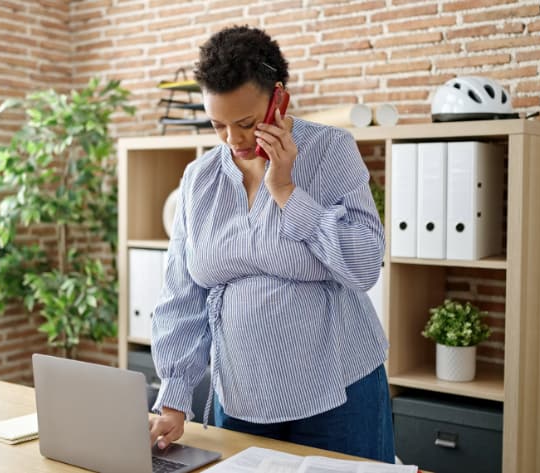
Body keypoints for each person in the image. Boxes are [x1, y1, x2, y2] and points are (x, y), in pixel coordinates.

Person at [148, 25, 394, 463]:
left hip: (339, 391)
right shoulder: (199, 179)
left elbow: (362, 265)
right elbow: (182, 297)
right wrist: (173, 397)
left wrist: (286, 191)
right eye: (218, 124)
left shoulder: (330, 150)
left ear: (278, 98)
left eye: (245, 123)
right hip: (241, 395)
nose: (233, 140)